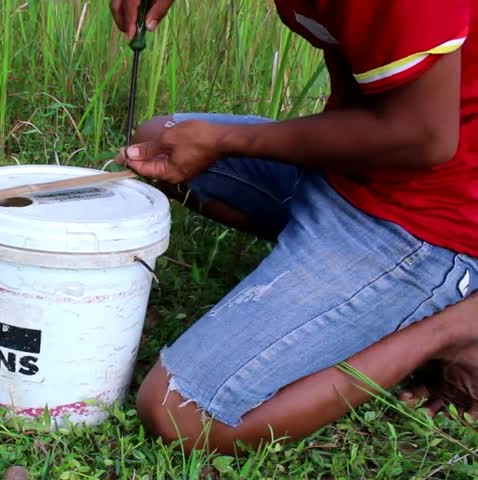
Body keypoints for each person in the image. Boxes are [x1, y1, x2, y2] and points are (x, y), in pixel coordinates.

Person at [109, 0, 478, 454]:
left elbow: (425, 136)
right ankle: (328, 273)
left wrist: (227, 140)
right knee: (157, 144)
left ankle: (454, 326)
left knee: (180, 413)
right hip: (345, 169)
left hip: (424, 220)